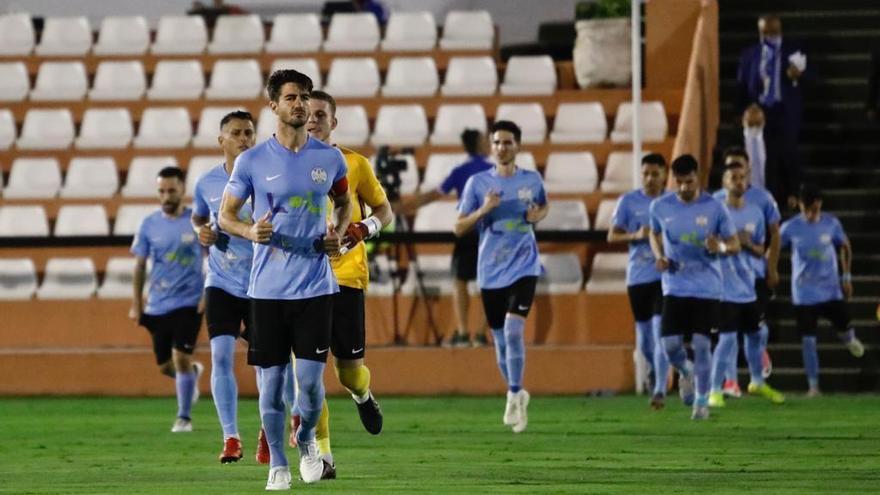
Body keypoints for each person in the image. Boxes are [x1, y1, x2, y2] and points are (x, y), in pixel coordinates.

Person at [218, 69, 352, 490]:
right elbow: (226, 216)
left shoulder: (329, 158)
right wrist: (248, 232)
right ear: (273, 105)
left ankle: (307, 437)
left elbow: (345, 203)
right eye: (292, 97)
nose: (301, 105)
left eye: (305, 97)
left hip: (316, 287)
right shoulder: (252, 161)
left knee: (310, 388)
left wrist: (339, 232)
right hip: (267, 292)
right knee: (271, 387)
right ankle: (278, 463)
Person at [191, 111, 298, 464]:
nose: (243, 138)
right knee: (220, 356)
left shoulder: (270, 177)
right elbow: (198, 219)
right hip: (221, 282)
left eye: (249, 132)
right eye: (235, 133)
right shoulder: (207, 183)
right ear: (221, 140)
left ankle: (268, 432)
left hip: (262, 285)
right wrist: (202, 233)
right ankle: (230, 437)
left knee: (268, 366)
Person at [305, 90, 392, 479]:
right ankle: (324, 456)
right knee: (306, 376)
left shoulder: (354, 164)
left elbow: (384, 210)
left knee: (348, 372)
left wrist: (363, 228)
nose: (312, 120)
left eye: (320, 114)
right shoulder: (284, 165)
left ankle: (362, 394)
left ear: (333, 122)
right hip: (300, 283)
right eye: (306, 113)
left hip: (345, 278)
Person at [454, 120, 549, 434]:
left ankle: (513, 393)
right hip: (491, 271)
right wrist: (484, 210)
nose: (502, 147)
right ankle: (516, 390)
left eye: (508, 142)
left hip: (525, 266)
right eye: (497, 142)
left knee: (511, 331)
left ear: (517, 146)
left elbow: (542, 207)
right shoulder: (478, 184)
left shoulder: (531, 180)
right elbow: (458, 226)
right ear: (491, 146)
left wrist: (538, 215)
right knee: (499, 341)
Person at [648, 154, 740, 420]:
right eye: (678, 182)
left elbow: (734, 244)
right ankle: (685, 371)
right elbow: (654, 233)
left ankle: (701, 402)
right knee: (670, 346)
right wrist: (659, 256)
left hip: (707, 287)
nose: (684, 188)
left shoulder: (715, 208)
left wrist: (720, 247)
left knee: (702, 344)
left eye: (688, 182)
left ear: (697, 177)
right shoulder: (660, 207)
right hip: (675, 286)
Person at [130, 166, 205, 433]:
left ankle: (183, 417)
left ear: (183, 190)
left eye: (171, 190)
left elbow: (213, 258)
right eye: (161, 191)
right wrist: (137, 303)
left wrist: (207, 294)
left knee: (181, 357)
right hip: (158, 304)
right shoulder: (148, 224)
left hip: (189, 302)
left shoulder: (196, 221)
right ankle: (191, 376)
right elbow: (139, 265)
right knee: (165, 366)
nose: (166, 196)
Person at [402, 129, 493, 347]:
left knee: (460, 280)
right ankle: (480, 334)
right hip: (490, 232)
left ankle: (462, 331)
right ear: (480, 144)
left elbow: (434, 195)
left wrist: (403, 207)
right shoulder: (494, 170)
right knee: (489, 282)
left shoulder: (461, 171)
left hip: (467, 231)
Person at [708, 160, 785, 408]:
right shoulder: (715, 211)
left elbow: (761, 247)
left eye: (742, 178)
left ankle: (757, 382)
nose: (739, 182)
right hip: (723, 288)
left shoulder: (755, 212)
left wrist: (747, 244)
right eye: (733, 178)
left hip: (748, 286)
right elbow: (708, 245)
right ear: (724, 182)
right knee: (728, 340)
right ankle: (714, 389)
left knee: (755, 335)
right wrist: (728, 245)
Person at [780, 184, 865, 397]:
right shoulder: (790, 227)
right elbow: (774, 248)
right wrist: (769, 268)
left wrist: (846, 276)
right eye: (807, 209)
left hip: (830, 290)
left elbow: (845, 246)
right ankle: (814, 386)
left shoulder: (831, 224)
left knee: (846, 331)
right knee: (808, 340)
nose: (811, 213)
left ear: (820, 205)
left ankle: (850, 339)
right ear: (799, 205)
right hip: (804, 293)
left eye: (815, 209)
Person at [607, 153, 671, 410]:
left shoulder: (672, 202)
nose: (650, 179)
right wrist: (636, 234)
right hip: (638, 277)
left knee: (659, 333)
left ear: (664, 175)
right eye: (646, 173)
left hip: (665, 277)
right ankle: (659, 372)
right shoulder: (628, 201)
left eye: (655, 174)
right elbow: (612, 235)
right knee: (645, 340)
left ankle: (659, 390)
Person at [736, 14, 808, 210]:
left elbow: (811, 76)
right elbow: (742, 86)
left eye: (773, 32)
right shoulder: (749, 54)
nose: (769, 36)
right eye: (764, 32)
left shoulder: (793, 50)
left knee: (788, 152)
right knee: (762, 158)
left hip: (785, 111)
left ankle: (793, 193)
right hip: (760, 112)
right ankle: (766, 198)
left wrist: (797, 76)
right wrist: (745, 110)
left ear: (780, 30)